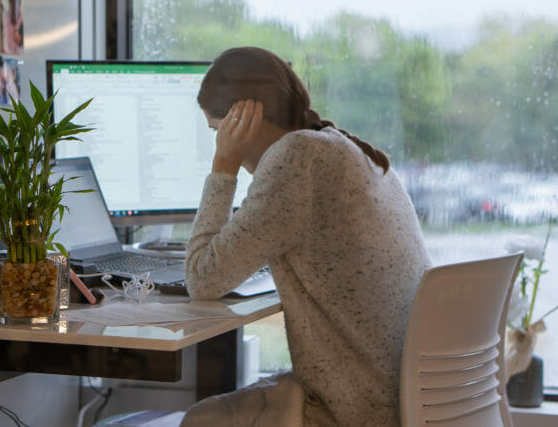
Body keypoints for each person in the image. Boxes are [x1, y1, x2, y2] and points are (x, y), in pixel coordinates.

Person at [181, 46, 431, 426]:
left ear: (242, 118)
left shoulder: (296, 159)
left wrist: (224, 165)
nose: (221, 142)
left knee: (201, 419)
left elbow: (202, 279)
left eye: (219, 132)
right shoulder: (342, 147)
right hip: (400, 400)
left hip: (354, 412)